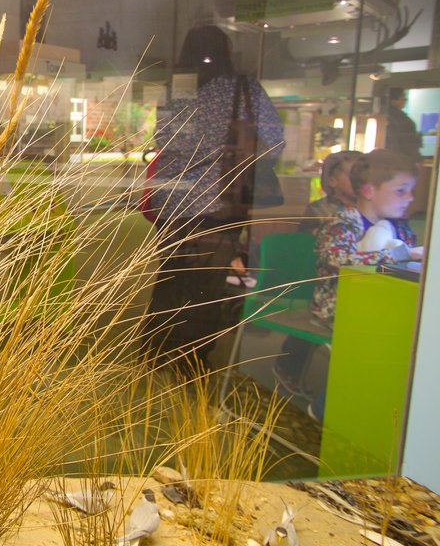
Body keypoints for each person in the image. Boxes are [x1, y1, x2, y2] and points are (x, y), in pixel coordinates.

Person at [145, 24, 284, 371]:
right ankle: (191, 357)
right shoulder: (243, 89)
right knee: (206, 281)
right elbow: (274, 140)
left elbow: (165, 140)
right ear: (226, 51)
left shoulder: (175, 88)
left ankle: (156, 347)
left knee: (172, 272)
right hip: (219, 200)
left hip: (173, 201)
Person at [303, 149, 423, 420]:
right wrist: (403, 254)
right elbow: (339, 257)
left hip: (375, 305)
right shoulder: (342, 222)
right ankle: (326, 406)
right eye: (401, 190)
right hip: (338, 307)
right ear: (369, 190)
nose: (410, 198)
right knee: (387, 339)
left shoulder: (397, 226)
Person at [274, 150, 361, 398]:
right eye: (353, 173)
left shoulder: (363, 210)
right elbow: (310, 250)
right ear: (331, 181)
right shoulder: (321, 210)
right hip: (320, 282)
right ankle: (289, 366)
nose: (359, 179)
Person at [384, 88, 422, 159]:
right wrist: (417, 159)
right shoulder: (403, 120)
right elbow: (409, 145)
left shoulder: (382, 116)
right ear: (394, 100)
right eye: (404, 99)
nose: (405, 101)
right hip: (400, 159)